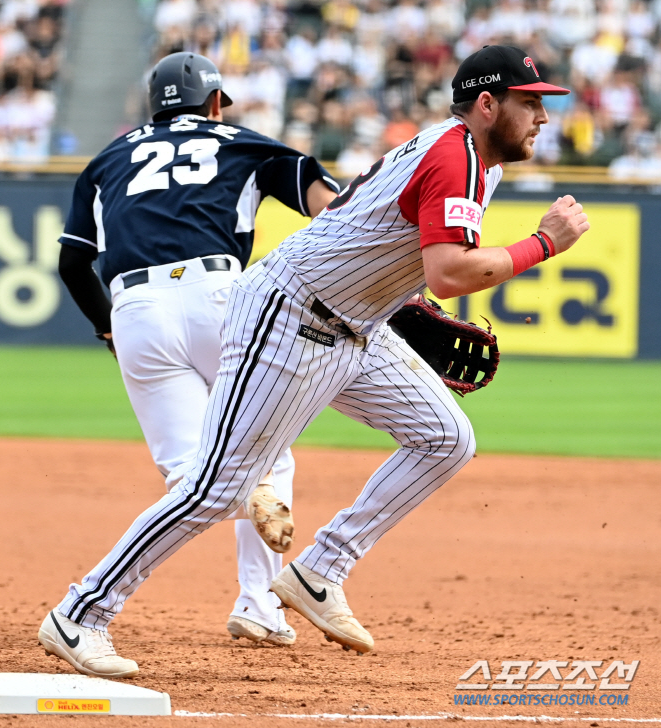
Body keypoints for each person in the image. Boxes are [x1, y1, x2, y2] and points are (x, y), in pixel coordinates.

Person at [39, 45, 589, 671]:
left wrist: (394, 299)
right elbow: (450, 274)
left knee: (444, 436)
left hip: (354, 323)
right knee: (215, 489)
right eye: (530, 102)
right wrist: (546, 242)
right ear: (487, 105)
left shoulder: (473, 158)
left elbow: (371, 229)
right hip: (290, 314)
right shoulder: (454, 154)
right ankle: (81, 613)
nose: (542, 116)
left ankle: (320, 570)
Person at [42, 52, 338, 677]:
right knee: (265, 454)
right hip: (223, 299)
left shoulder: (107, 159)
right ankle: (257, 599)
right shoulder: (241, 143)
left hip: (135, 308)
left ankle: (249, 586)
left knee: (192, 479)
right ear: (214, 104)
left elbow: (73, 262)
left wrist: (108, 328)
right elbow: (325, 204)